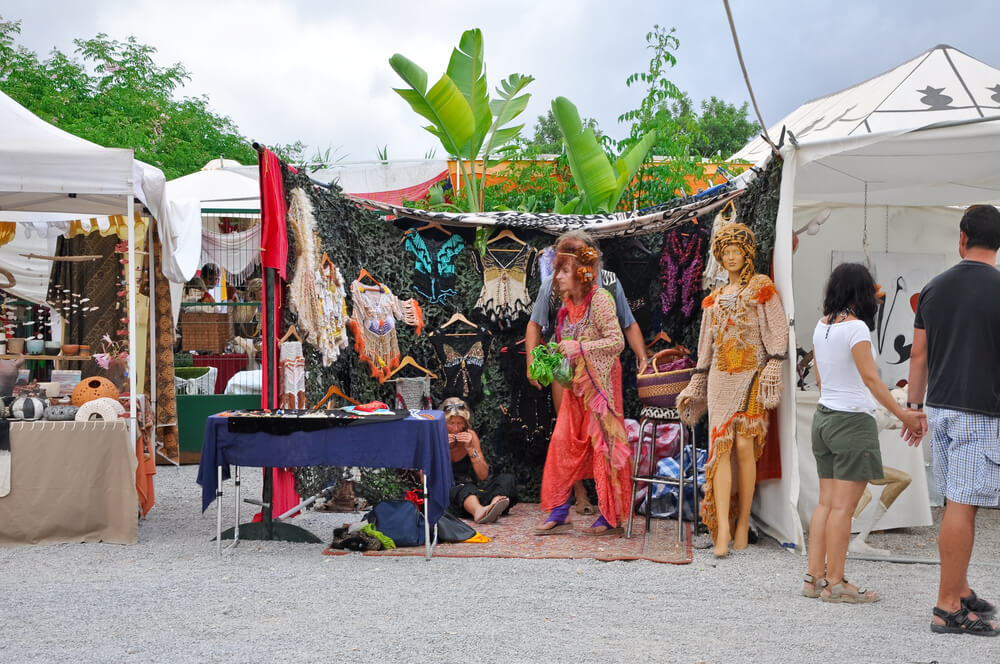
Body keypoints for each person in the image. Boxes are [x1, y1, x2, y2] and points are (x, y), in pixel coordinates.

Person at [801, 263, 924, 604]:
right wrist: (903, 413)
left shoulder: (821, 326)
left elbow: (824, 379)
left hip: (824, 419)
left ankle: (815, 577)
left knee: (825, 503)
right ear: (862, 292)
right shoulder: (856, 330)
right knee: (844, 509)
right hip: (851, 422)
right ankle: (837, 583)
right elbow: (871, 380)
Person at [906, 204, 1000, 636]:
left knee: (957, 502)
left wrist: (913, 406)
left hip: (941, 408)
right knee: (963, 505)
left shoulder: (933, 288)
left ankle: (959, 589)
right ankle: (946, 608)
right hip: (980, 411)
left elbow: (918, 355)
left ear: (961, 238)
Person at [677, 223, 788, 558]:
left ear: (747, 253)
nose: (731, 257)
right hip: (719, 379)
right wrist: (697, 380)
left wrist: (774, 363)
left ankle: (742, 523)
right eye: (725, 253)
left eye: (736, 251)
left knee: (743, 446)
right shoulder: (713, 300)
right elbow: (705, 348)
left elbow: (777, 331)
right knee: (720, 449)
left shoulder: (761, 289)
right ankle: (723, 527)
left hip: (752, 375)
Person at [526, 230, 648, 516]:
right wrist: (534, 362)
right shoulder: (553, 286)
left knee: (602, 439)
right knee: (567, 434)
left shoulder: (607, 287)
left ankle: (609, 511)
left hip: (601, 377)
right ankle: (574, 499)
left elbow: (626, 326)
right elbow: (535, 325)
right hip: (568, 374)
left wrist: (643, 358)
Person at [443, 397, 518, 524]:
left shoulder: (470, 435)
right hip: (448, 494)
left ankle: (494, 505)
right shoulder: (435, 437)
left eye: (460, 423)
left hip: (472, 494)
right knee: (464, 487)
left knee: (507, 479)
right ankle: (479, 512)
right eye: (451, 423)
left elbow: (483, 475)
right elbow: (425, 478)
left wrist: (470, 449)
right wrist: (442, 447)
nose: (456, 428)